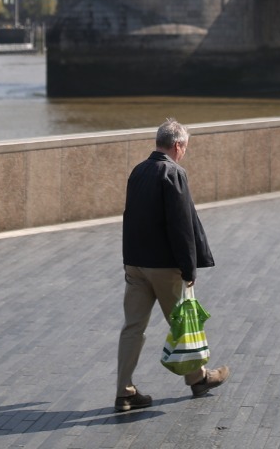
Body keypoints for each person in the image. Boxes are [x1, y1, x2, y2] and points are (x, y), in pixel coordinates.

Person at [115, 119, 230, 413]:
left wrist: (129, 260)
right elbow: (181, 226)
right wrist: (189, 268)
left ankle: (124, 392)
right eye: (185, 148)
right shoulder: (173, 172)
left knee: (133, 327)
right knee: (183, 323)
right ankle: (199, 379)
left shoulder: (138, 171)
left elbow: (130, 216)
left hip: (136, 265)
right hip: (165, 267)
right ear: (177, 145)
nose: (184, 153)